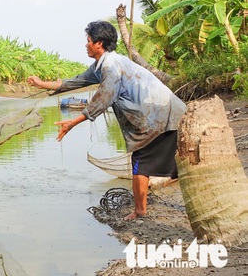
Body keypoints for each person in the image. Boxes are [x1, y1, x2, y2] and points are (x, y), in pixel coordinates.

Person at [27, 21, 186, 221]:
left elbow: (103, 98)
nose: (86, 45)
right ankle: (144, 210)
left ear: (99, 44)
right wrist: (42, 84)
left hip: (158, 115)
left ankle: (140, 212)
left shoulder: (111, 67)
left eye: (88, 41)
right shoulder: (102, 65)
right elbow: (76, 81)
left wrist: (72, 123)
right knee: (171, 162)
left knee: (142, 164)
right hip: (160, 114)